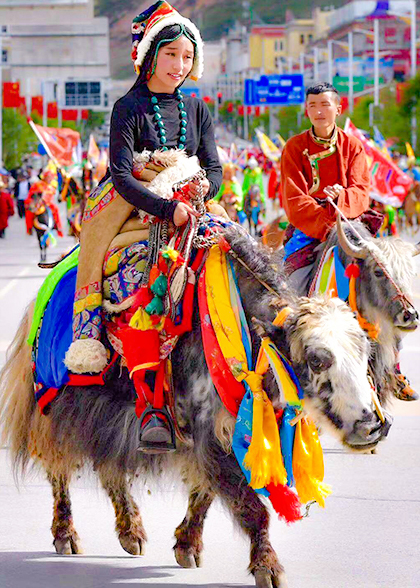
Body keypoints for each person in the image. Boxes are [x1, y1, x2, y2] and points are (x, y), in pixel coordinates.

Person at [64, 0, 222, 451]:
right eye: (171, 54)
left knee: (238, 265)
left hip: (192, 203)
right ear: (151, 55)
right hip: (136, 209)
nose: (179, 64)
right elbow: (120, 175)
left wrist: (196, 195)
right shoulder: (127, 107)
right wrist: (163, 207)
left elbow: (214, 168)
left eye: (187, 56)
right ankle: (150, 402)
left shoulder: (197, 109)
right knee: (136, 280)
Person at [281, 82, 373, 295]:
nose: (318, 111)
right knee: (292, 287)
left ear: (338, 109)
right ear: (307, 110)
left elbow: (361, 189)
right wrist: (327, 225)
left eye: (325, 104)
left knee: (382, 273)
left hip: (348, 221)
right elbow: (293, 197)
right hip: (310, 225)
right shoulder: (294, 147)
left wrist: (342, 196)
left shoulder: (353, 146)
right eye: (312, 105)